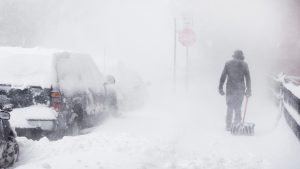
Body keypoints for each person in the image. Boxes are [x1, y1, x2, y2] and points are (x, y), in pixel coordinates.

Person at [218, 50, 251, 131]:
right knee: (238, 107)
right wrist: (248, 89)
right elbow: (248, 78)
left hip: (230, 89)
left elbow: (223, 76)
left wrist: (220, 87)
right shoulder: (244, 65)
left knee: (229, 107)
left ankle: (228, 125)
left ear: (234, 56)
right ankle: (237, 124)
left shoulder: (228, 64)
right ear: (241, 56)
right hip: (240, 89)